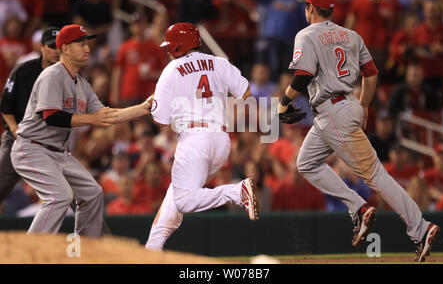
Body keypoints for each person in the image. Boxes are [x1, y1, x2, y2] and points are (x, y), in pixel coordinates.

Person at [278, 0, 439, 262]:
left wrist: (283, 102)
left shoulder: (306, 34)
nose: (305, 9)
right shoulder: (350, 35)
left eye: (306, 5)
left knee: (376, 175)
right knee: (306, 162)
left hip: (332, 111)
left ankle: (421, 228)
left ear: (312, 8)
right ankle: (358, 207)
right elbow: (371, 73)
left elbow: (302, 75)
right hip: (346, 106)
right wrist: (363, 106)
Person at [9, 24, 152, 237]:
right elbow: (52, 117)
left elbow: (108, 115)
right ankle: (28, 251)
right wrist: (91, 119)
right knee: (59, 196)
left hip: (58, 153)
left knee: (93, 193)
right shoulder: (52, 75)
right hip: (32, 148)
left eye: (87, 44)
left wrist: (142, 108)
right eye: (81, 44)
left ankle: (86, 248)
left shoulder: (82, 84)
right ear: (65, 49)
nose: (87, 49)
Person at [145, 22, 260, 251]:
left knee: (184, 200)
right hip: (221, 140)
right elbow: (247, 93)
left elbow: (161, 120)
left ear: (179, 46)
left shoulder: (172, 69)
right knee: (174, 204)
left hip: (194, 138)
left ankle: (236, 192)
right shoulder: (219, 62)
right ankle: (150, 251)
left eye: (171, 45)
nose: (168, 50)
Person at [0, 27, 60, 204]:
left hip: (48, 144)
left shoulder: (68, 75)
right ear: (41, 47)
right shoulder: (23, 70)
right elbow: (5, 106)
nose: (56, 51)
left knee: (79, 193)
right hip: (17, 139)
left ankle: (98, 232)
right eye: (51, 46)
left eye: (60, 46)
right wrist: (14, 129)